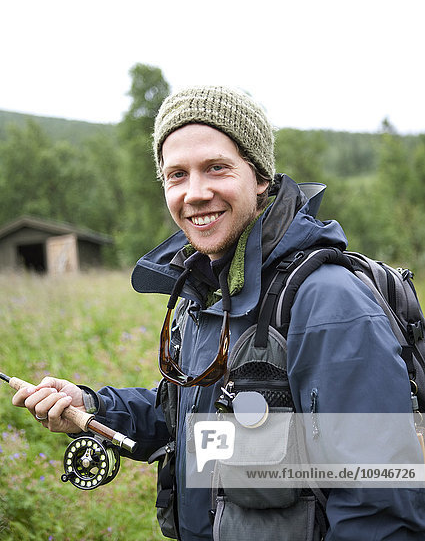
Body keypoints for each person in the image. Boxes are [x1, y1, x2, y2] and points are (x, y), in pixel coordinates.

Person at [12, 86, 425, 540]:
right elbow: (191, 422)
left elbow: (381, 507)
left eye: (216, 168)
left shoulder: (327, 302)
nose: (195, 193)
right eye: (176, 175)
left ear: (260, 177)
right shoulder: (205, 294)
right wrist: (91, 407)